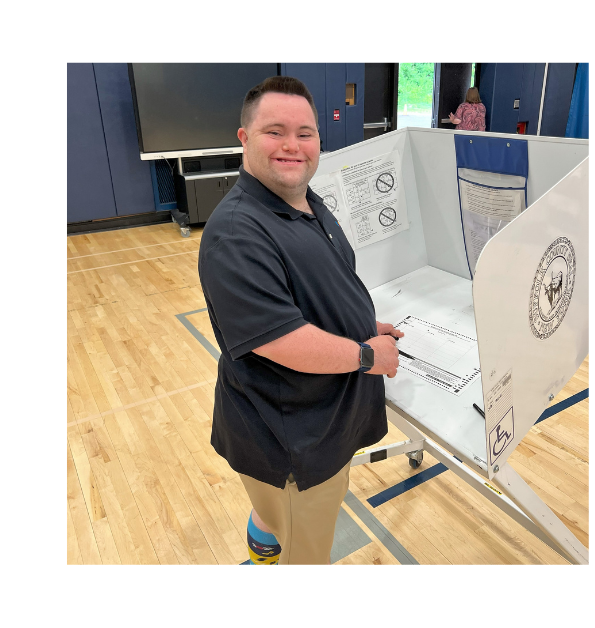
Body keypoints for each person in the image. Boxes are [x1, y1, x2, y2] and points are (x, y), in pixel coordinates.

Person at [197, 76, 404, 565]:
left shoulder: (306, 201)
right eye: (275, 131)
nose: (293, 145)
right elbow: (282, 340)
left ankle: (265, 536)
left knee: (274, 517)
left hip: (320, 423)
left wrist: (364, 328)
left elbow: (317, 292)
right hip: (292, 442)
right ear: (245, 138)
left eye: (305, 133)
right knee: (306, 557)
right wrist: (366, 355)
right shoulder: (236, 234)